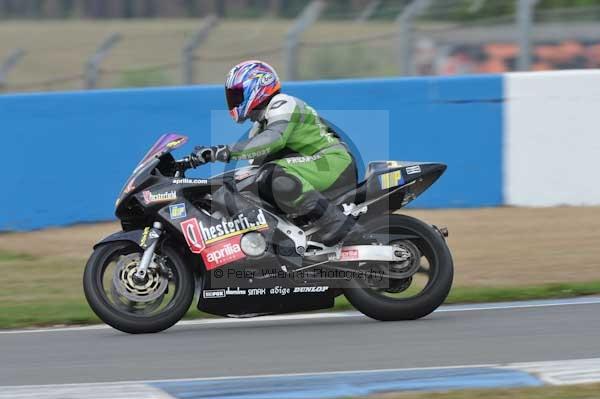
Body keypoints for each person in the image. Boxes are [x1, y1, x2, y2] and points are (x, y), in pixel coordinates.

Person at [190, 60, 359, 247]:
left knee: (273, 175)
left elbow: (274, 139)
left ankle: (337, 224)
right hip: (312, 167)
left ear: (258, 85)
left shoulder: (282, 103)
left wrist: (224, 151)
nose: (234, 100)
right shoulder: (260, 125)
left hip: (332, 162)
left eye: (237, 94)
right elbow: (254, 165)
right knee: (249, 183)